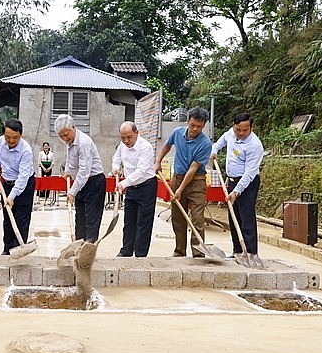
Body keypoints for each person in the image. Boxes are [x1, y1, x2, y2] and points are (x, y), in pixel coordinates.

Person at [155, 107, 212, 257]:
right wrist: (158, 161)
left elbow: (193, 169)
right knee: (178, 218)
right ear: (187, 121)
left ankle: (198, 254)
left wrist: (180, 190)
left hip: (196, 183)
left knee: (197, 219)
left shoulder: (205, 144)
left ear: (204, 126)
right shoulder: (177, 133)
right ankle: (179, 251)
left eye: (199, 127)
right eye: (192, 125)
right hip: (177, 178)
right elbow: (167, 145)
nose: (195, 129)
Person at [210, 113, 264, 257]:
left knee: (247, 219)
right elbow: (221, 141)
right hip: (232, 181)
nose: (240, 133)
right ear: (234, 126)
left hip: (247, 184)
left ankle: (251, 253)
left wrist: (237, 192)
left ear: (251, 127)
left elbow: (249, 173)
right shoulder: (231, 134)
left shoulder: (255, 145)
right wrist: (214, 150)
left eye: (245, 130)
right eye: (237, 129)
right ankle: (237, 251)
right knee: (233, 217)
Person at [55, 114, 105, 242]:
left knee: (91, 220)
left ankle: (88, 250)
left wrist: (72, 192)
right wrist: (67, 170)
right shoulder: (69, 142)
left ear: (73, 127)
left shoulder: (83, 142)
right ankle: (78, 245)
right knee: (80, 218)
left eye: (66, 134)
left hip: (93, 182)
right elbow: (70, 158)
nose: (65, 138)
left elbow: (84, 171)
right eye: (61, 136)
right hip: (80, 182)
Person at [111, 121, 158, 257]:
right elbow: (117, 157)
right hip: (130, 186)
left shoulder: (145, 147)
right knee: (129, 221)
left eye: (129, 137)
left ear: (137, 133)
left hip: (146, 186)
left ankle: (140, 254)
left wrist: (123, 184)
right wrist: (115, 168)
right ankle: (126, 251)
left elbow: (141, 171)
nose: (126, 141)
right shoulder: (122, 145)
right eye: (123, 137)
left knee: (143, 223)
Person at [0, 119, 36, 255]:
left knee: (21, 219)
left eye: (15, 137)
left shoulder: (26, 150)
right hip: (7, 183)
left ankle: (18, 251)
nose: (11, 140)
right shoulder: (0, 142)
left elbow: (23, 177)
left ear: (20, 135)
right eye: (8, 137)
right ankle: (7, 250)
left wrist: (11, 197)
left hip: (24, 185)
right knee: (8, 219)